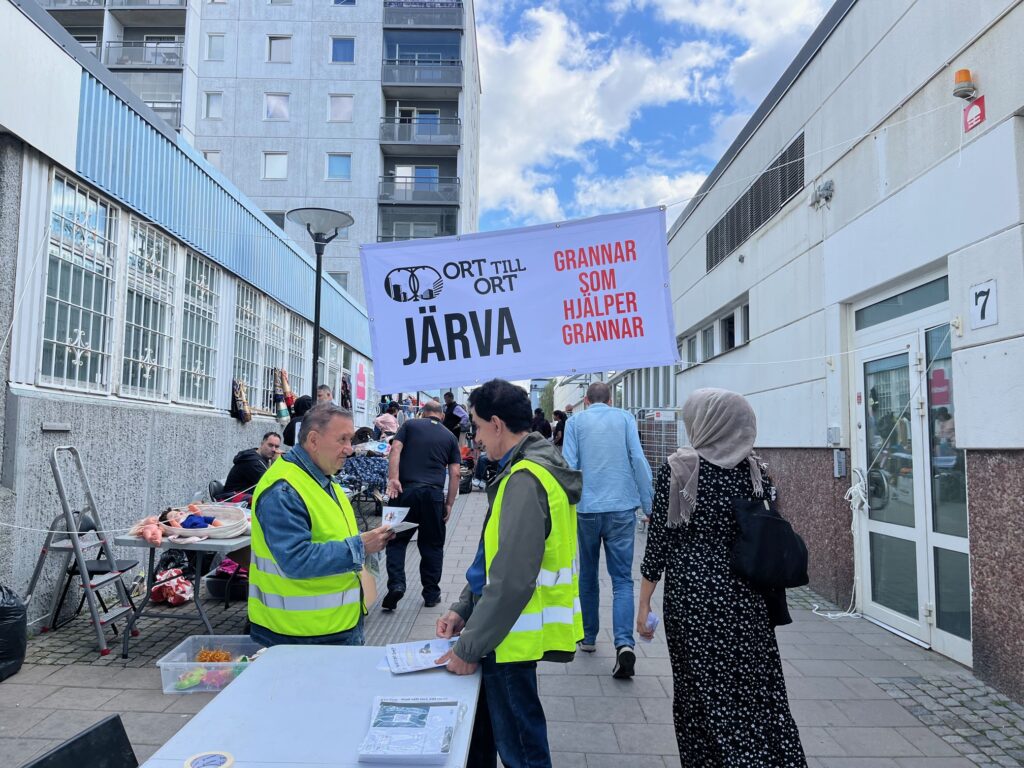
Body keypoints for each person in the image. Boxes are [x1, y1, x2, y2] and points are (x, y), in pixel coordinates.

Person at [637, 388, 806, 766]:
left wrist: (644, 600)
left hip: (693, 599)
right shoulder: (756, 470)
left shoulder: (680, 469)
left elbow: (660, 542)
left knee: (698, 696)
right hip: (747, 599)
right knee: (757, 696)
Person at [434, 379, 583, 768]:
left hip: (508, 637)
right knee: (496, 737)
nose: (477, 439)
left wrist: (468, 647)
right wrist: (464, 607)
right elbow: (492, 558)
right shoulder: (526, 469)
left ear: (497, 423)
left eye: (478, 427)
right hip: (503, 633)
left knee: (522, 748)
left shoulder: (525, 479)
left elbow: (512, 579)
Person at [248, 403, 395, 647]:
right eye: (343, 439)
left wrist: (366, 541)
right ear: (313, 440)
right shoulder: (284, 489)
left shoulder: (323, 477)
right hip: (299, 635)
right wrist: (360, 546)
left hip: (333, 626)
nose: (349, 449)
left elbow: (330, 535)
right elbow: (296, 559)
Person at [562, 381, 652, 678]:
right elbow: (638, 459)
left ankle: (588, 638)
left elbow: (570, 465)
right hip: (622, 508)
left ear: (585, 400)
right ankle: (624, 644)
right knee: (623, 580)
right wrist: (648, 504)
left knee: (588, 574)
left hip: (587, 509)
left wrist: (566, 507)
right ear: (610, 400)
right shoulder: (625, 418)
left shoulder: (575, 422)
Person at [383, 401, 461, 610]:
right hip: (433, 496)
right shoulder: (450, 437)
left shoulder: (409, 426)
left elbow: (395, 450)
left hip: (403, 493)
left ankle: (397, 585)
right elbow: (455, 473)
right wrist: (450, 503)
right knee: (432, 546)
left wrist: (393, 478)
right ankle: (431, 594)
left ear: (422, 413)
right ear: (442, 416)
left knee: (395, 540)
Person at [223, 432, 282, 497]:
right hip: (231, 497)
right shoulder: (253, 462)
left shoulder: (262, 458)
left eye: (276, 447)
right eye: (270, 445)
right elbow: (270, 485)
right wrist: (277, 463)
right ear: (262, 444)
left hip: (243, 496)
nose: (274, 449)